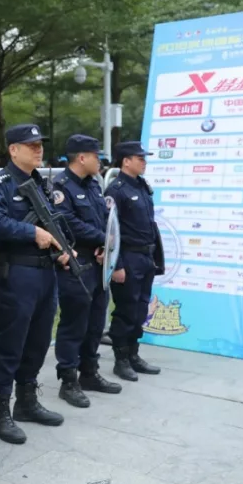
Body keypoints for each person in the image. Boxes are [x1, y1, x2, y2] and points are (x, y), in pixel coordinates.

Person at [0, 124, 68, 446]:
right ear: (13, 150)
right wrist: (32, 233)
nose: (38, 149)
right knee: (10, 343)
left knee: (38, 341)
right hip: (15, 273)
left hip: (45, 273)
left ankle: (27, 400)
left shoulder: (41, 183)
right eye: (31, 145)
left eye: (40, 144)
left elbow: (54, 220)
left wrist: (63, 248)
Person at [50, 135, 123, 408]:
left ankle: (89, 372)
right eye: (96, 156)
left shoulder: (93, 184)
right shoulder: (60, 187)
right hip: (75, 264)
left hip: (98, 263)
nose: (100, 161)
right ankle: (68, 381)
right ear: (82, 158)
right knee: (74, 323)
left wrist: (105, 245)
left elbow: (105, 219)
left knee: (95, 322)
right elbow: (68, 222)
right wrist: (102, 239)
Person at [104, 141, 164, 381]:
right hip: (127, 256)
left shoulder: (142, 186)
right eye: (140, 158)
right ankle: (121, 360)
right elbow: (110, 230)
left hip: (145, 256)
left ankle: (133, 354)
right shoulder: (116, 190)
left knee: (140, 309)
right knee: (126, 310)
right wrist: (116, 264)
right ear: (126, 161)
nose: (144, 162)